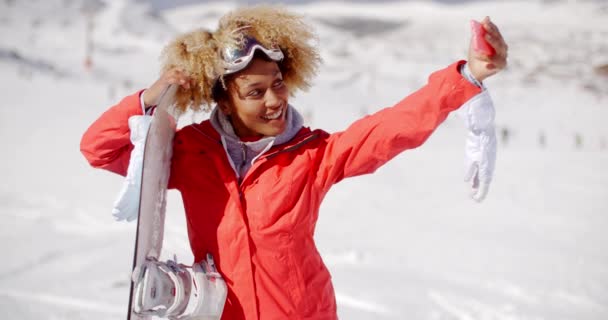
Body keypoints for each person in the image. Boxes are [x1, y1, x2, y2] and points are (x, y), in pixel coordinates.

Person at [80, 5, 508, 320]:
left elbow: (388, 129)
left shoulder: (310, 154)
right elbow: (100, 149)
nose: (274, 101)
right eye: (254, 91)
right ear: (224, 101)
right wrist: (148, 99)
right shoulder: (191, 153)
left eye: (278, 85)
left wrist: (465, 77)